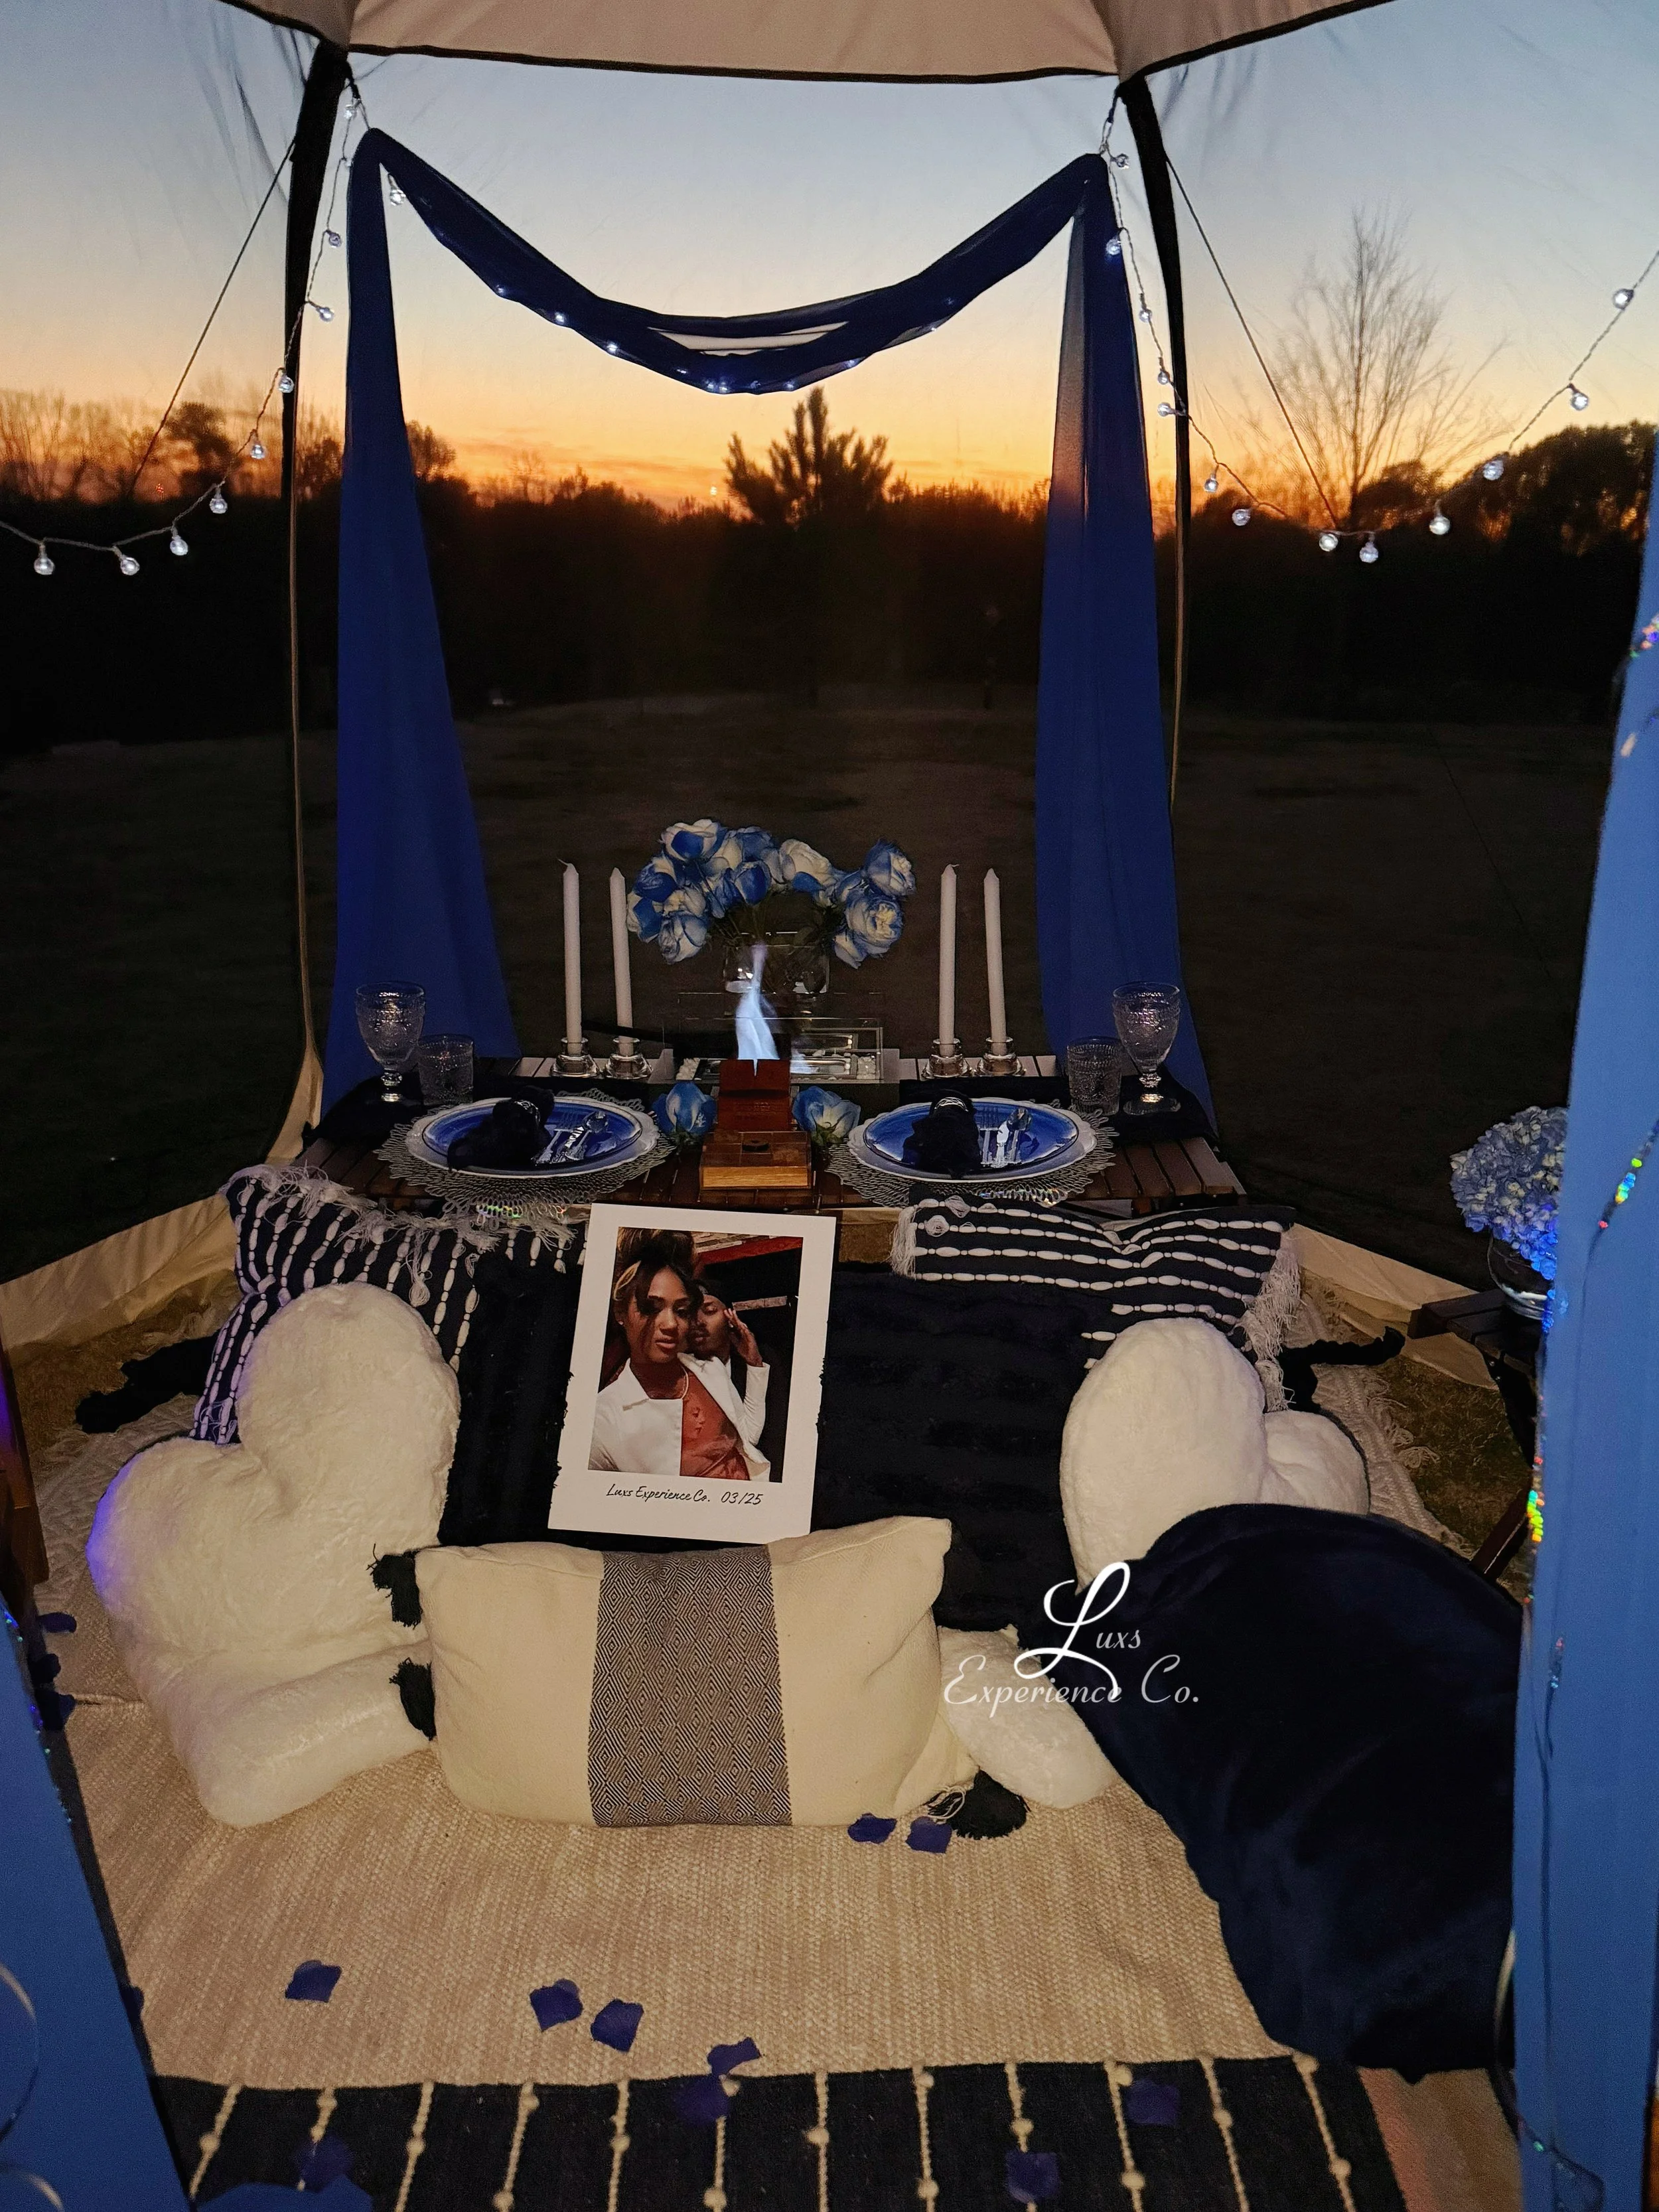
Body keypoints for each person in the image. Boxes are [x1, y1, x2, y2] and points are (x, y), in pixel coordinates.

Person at [589, 1238, 770, 1481]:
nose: (672, 1324)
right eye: (651, 1308)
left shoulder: (710, 1370)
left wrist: (754, 1364)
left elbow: (747, 1439)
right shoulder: (602, 1419)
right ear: (620, 1313)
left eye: (682, 1311)